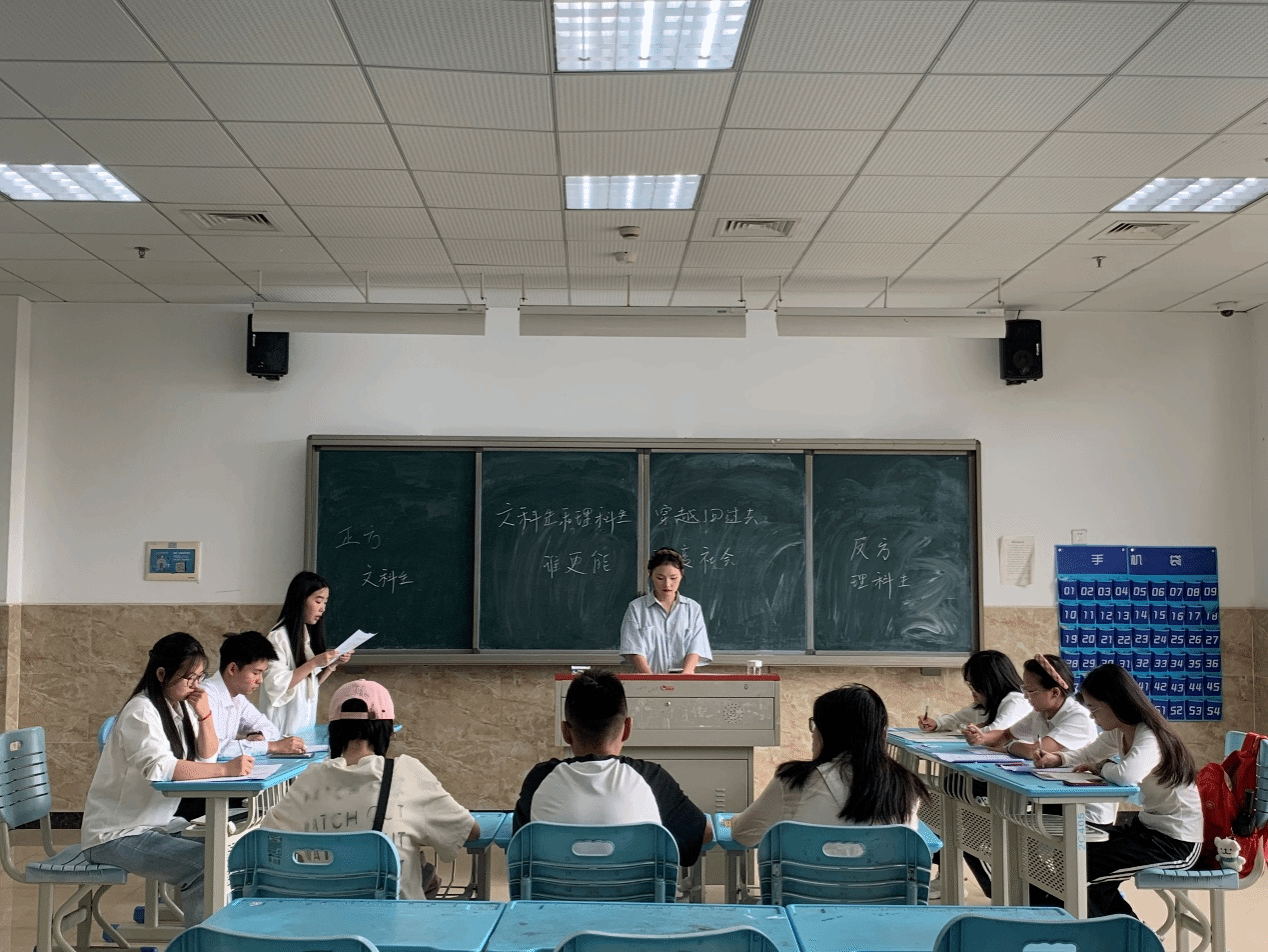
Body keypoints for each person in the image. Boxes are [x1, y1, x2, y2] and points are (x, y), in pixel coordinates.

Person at [81, 633, 254, 926]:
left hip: (156, 824)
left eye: (200, 677)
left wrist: (205, 715)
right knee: (205, 866)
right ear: (162, 674)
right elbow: (162, 768)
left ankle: (226, 933)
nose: (195, 686)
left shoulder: (180, 705)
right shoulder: (141, 711)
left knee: (232, 853)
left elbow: (206, 757)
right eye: (189, 678)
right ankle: (203, 942)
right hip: (116, 834)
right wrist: (226, 771)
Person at [264, 679, 479, 900]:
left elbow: (266, 842)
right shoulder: (406, 772)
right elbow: (469, 832)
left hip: (323, 914)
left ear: (334, 731)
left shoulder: (310, 779)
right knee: (425, 873)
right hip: (394, 917)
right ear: (387, 730)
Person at [1033, 663, 1201, 918]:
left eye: (1094, 709)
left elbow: (1126, 776)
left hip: (1176, 842)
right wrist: (1056, 759)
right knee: (1075, 853)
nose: (1092, 717)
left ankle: (1127, 934)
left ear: (1115, 702)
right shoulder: (1120, 732)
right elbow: (1087, 754)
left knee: (1085, 872)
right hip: (1145, 830)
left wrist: (1102, 767)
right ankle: (1126, 932)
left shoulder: (1150, 735)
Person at [514, 669, 712, 867]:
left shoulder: (539, 779)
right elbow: (704, 834)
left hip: (555, 888)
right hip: (638, 888)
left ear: (565, 732)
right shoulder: (652, 778)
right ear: (627, 729)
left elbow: (520, 844)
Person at [731, 684, 926, 847]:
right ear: (881, 733)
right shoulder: (906, 786)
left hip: (805, 883)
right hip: (882, 884)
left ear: (829, 732)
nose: (813, 734)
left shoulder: (794, 781)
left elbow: (743, 834)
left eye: (816, 725)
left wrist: (733, 821)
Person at [259, 571, 352, 735]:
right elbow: (276, 684)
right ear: (300, 599)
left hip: (302, 730)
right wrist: (314, 662)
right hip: (281, 733)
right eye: (318, 601)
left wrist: (333, 664)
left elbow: (308, 685)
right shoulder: (278, 637)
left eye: (325, 602)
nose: (322, 608)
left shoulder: (304, 636)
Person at [202, 630, 307, 758]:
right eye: (256, 673)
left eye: (262, 673)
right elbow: (215, 749)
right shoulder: (206, 695)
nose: (260, 680)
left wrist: (259, 736)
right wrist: (271, 746)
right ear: (232, 669)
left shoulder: (237, 697)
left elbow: (271, 729)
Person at [619, 548, 711, 674]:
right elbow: (633, 649)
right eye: (660, 578)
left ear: (681, 575)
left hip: (684, 679)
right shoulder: (636, 608)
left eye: (673, 578)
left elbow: (696, 647)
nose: (667, 584)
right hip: (647, 680)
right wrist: (651, 679)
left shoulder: (692, 608)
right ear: (651, 575)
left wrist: (686, 675)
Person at [917, 648, 1030, 736]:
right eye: (970, 684)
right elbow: (957, 718)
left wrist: (970, 729)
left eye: (975, 685)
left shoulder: (1016, 701)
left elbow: (996, 732)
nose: (972, 691)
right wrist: (937, 724)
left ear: (989, 684)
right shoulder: (988, 704)